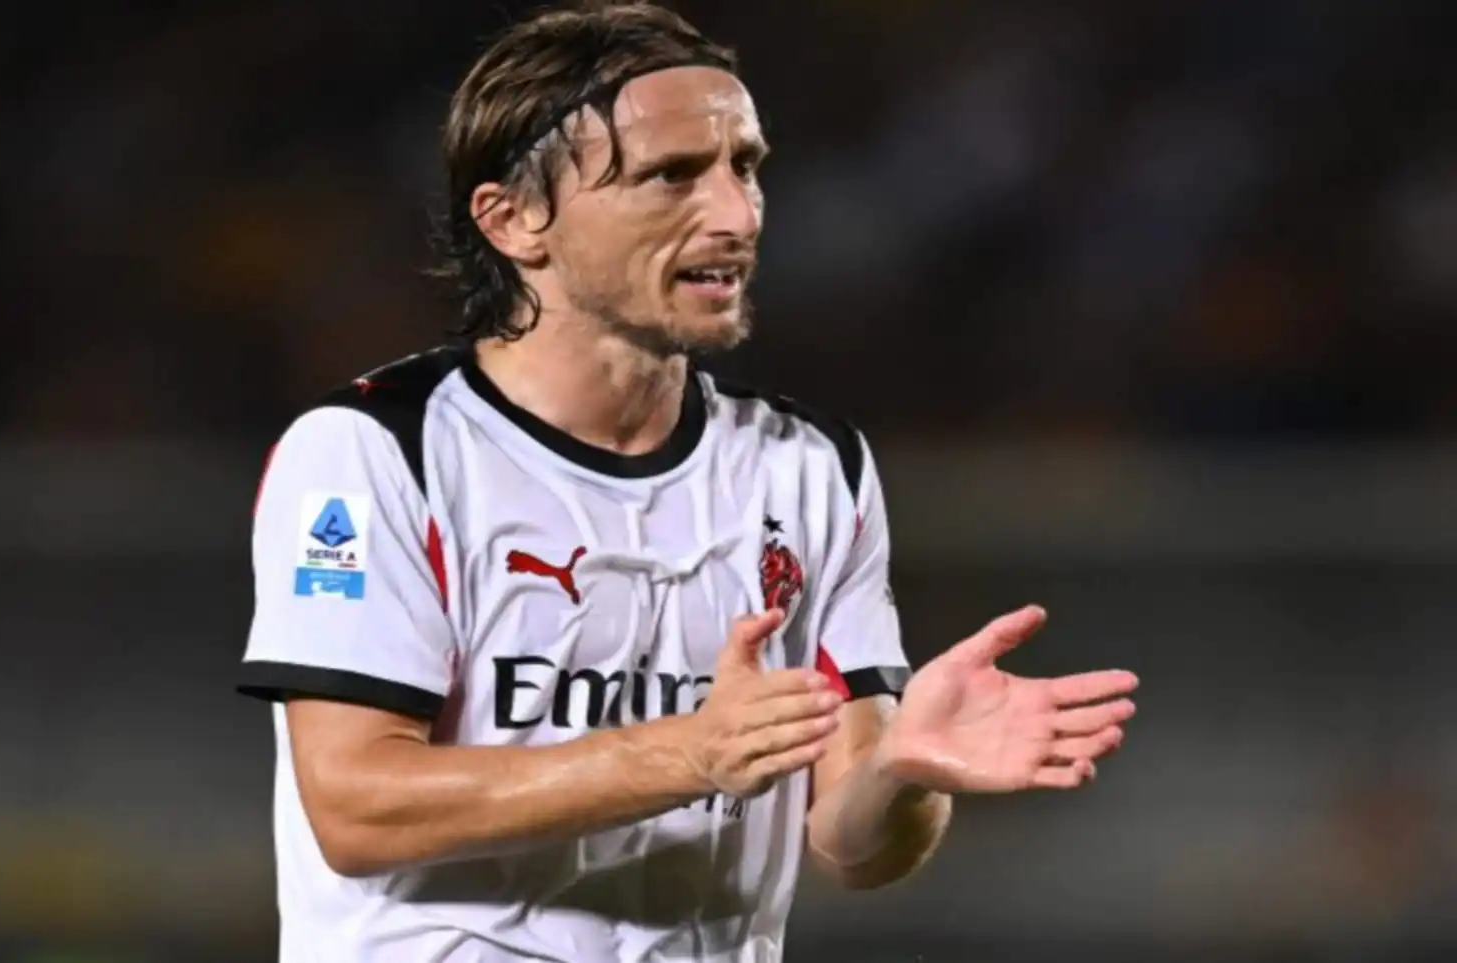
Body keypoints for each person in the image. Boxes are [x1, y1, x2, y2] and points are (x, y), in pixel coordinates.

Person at [236, 3, 1139, 961]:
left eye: (744, 166)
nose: (736, 215)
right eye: (672, 175)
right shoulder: (377, 452)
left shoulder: (810, 466)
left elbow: (851, 846)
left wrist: (906, 769)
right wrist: (689, 751)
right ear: (515, 219)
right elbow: (358, 805)